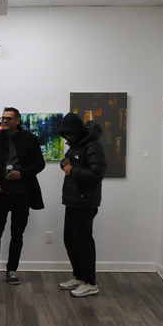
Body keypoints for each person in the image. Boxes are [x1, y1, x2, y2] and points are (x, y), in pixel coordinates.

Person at [0, 107, 45, 286]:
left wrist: (22, 174)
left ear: (17, 120)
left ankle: (11, 270)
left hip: (22, 194)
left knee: (17, 234)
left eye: (9, 118)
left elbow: (39, 164)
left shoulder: (30, 139)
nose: (4, 121)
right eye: (3, 118)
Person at [57, 113, 106, 297]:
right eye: (65, 135)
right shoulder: (76, 145)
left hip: (85, 202)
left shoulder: (93, 146)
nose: (67, 137)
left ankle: (90, 283)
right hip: (72, 200)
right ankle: (79, 276)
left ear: (77, 131)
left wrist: (73, 170)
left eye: (69, 134)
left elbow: (97, 173)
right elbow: (69, 164)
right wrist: (64, 164)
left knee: (83, 241)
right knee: (70, 239)